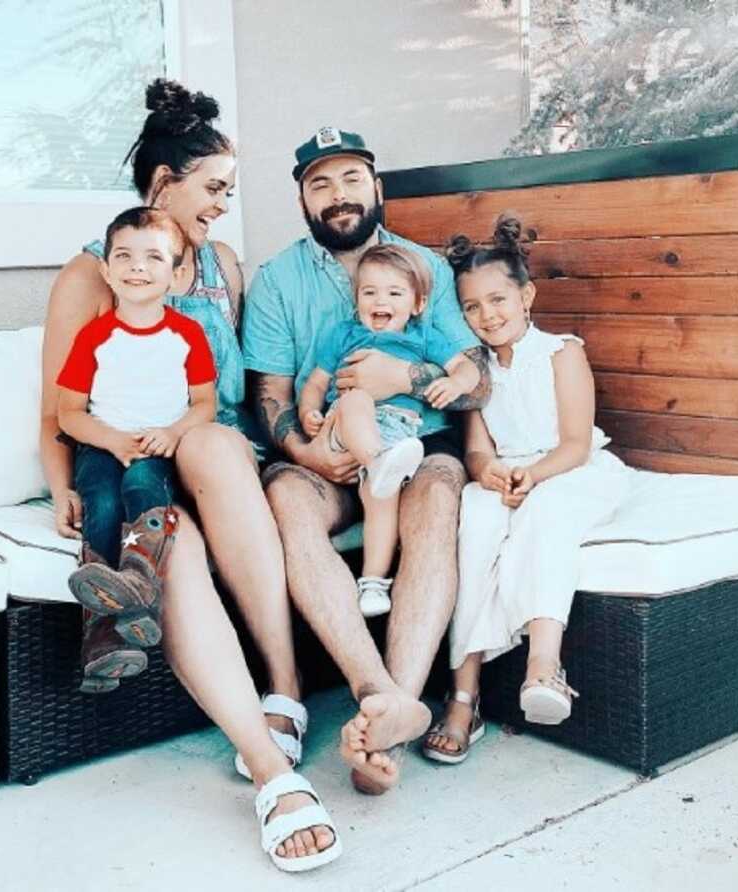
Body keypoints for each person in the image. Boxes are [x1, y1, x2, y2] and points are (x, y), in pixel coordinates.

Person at [41, 80, 339, 872]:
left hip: (216, 453)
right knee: (170, 543)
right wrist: (59, 483)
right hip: (132, 458)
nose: (221, 207)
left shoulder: (225, 264)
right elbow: (59, 406)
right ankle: (274, 774)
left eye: (230, 193)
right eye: (212, 190)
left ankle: (284, 689)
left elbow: (229, 393)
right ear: (163, 183)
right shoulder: (95, 274)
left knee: (208, 445)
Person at [243, 127, 491, 795]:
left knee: (440, 498)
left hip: (417, 446)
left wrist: (399, 380)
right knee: (287, 499)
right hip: (321, 450)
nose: (338, 195)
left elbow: (479, 380)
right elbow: (268, 394)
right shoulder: (277, 281)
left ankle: (391, 726)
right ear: (301, 199)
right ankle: (378, 694)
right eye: (320, 183)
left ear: (376, 189)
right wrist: (307, 452)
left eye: (351, 179)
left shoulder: (426, 270)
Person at [422, 215, 631, 765]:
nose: (487, 315)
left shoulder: (561, 352)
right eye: (473, 307)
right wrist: (488, 471)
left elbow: (575, 443)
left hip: (567, 471)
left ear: (526, 295)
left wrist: (532, 477)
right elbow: (476, 448)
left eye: (498, 300)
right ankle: (462, 697)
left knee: (547, 512)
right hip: (508, 475)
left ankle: (544, 667)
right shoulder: (475, 370)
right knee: (476, 523)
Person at [58, 207, 216, 651]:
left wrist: (173, 432)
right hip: (101, 445)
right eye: (124, 257)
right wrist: (110, 439)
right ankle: (102, 634)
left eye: (153, 257)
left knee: (143, 487)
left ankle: (141, 596)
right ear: (107, 271)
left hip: (157, 447)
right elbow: (68, 412)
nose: (138, 267)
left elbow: (206, 403)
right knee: (103, 501)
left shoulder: (188, 335)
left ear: (177, 275)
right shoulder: (94, 337)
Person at [298, 243, 481, 618]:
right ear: (357, 299)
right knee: (357, 399)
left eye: (395, 293)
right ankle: (377, 462)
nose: (381, 300)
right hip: (345, 429)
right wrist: (307, 411)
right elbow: (317, 382)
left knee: (381, 498)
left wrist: (456, 384)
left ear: (417, 303)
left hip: (397, 436)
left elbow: (469, 368)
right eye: (370, 292)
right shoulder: (344, 334)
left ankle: (372, 583)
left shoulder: (424, 337)